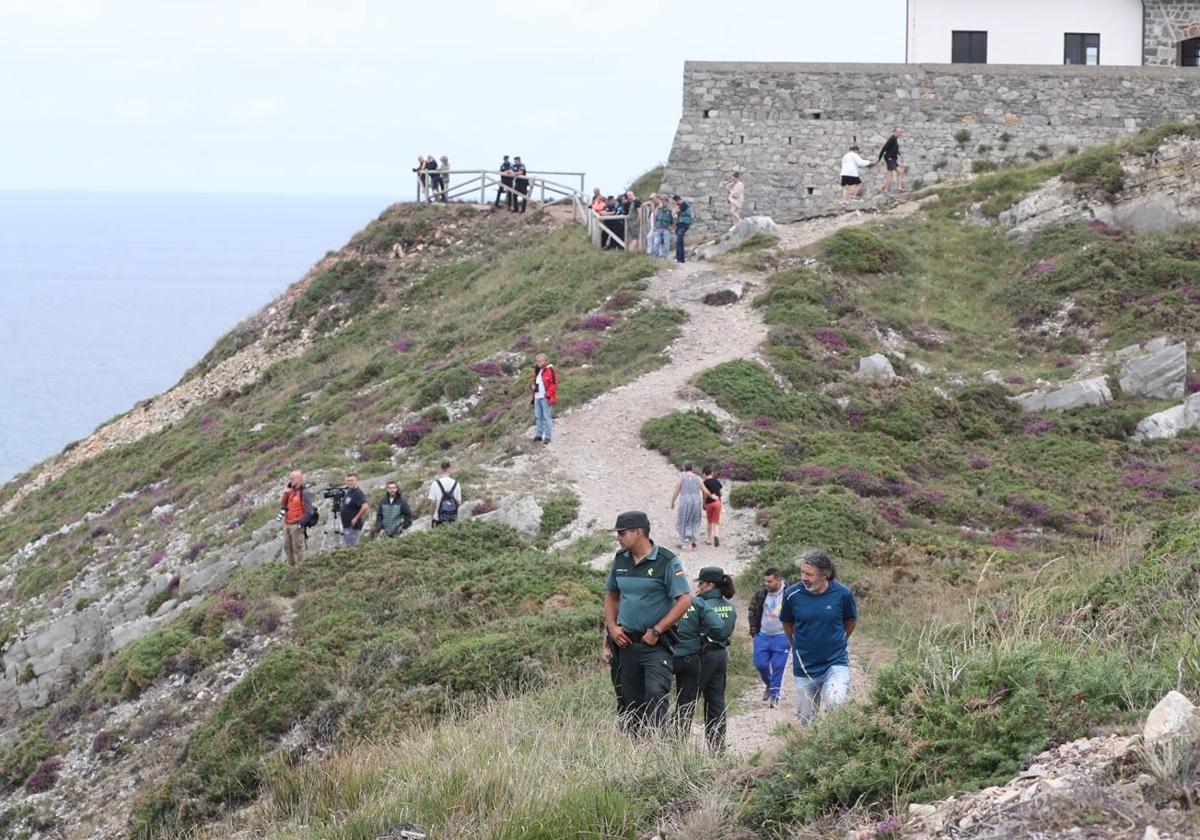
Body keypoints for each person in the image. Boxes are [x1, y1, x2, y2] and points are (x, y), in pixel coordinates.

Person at [604, 511, 692, 735]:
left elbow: (684, 600)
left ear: (639, 532)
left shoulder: (666, 561)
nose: (619, 537)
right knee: (630, 703)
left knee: (655, 695)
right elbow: (611, 596)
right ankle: (637, 754)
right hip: (626, 644)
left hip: (655, 645)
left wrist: (658, 629)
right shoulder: (620, 560)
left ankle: (661, 749)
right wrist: (612, 629)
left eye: (622, 533)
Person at [780, 550, 858, 724]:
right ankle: (812, 747)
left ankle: (834, 744)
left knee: (836, 703)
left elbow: (851, 621)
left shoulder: (843, 594)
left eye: (809, 574)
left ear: (825, 575)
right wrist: (796, 643)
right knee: (806, 720)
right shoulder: (792, 595)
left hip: (835, 661)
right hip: (805, 665)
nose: (804, 577)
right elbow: (787, 623)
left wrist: (839, 641)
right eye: (802, 572)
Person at [671, 578, 724, 739]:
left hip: (664, 657)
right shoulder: (697, 603)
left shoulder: (660, 602)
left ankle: (657, 741)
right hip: (690, 657)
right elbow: (718, 626)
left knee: (656, 698)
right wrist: (703, 635)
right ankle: (679, 744)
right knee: (686, 702)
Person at [693, 567, 737, 751]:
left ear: (710, 585)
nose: (698, 586)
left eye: (700, 583)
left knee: (689, 698)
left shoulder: (701, 605)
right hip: (721, 655)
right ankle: (717, 748)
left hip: (703, 654)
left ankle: (675, 745)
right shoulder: (729, 606)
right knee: (716, 702)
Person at [749, 568, 790, 707]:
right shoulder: (762, 593)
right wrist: (754, 632)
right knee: (760, 663)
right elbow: (753, 610)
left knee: (778, 666)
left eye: (770, 581)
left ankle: (775, 696)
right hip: (763, 634)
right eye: (765, 581)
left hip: (782, 635)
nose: (767, 584)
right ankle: (769, 684)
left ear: (778, 580)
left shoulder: (789, 593)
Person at [278, 470, 314, 566]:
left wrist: (300, 524)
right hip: (288, 523)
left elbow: (309, 511)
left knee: (298, 548)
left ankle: (301, 569)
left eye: (292, 478)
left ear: (298, 479)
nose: (290, 480)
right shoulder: (291, 491)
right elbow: (283, 504)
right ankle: (292, 568)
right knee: (287, 548)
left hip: (297, 524)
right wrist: (286, 492)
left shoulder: (305, 492)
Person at [670, 461, 703, 551]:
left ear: (684, 468)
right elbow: (704, 490)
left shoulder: (682, 478)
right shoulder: (698, 478)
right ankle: (691, 540)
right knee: (694, 520)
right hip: (696, 501)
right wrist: (710, 498)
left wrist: (672, 502)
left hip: (685, 501)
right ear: (692, 468)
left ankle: (686, 541)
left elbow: (676, 491)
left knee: (684, 519)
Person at [531, 353, 558, 444]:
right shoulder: (538, 370)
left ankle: (548, 436)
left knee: (547, 417)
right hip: (537, 396)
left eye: (539, 361)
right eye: (537, 361)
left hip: (545, 397)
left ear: (545, 361)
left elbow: (554, 384)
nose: (538, 363)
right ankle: (539, 435)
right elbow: (536, 381)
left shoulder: (550, 370)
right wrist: (533, 387)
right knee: (538, 417)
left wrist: (547, 394)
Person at [339, 473, 370, 546]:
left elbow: (365, 507)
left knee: (353, 546)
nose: (350, 482)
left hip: (353, 527)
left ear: (356, 481)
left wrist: (356, 518)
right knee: (348, 545)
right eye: (348, 481)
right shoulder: (349, 492)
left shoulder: (357, 493)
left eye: (352, 480)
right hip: (346, 525)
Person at [428, 460, 461, 526]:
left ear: (441, 469)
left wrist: (432, 516)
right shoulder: (456, 483)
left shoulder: (435, 483)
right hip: (452, 518)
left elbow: (433, 503)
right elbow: (459, 503)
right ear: (449, 469)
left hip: (438, 518)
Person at [878, 128, 905, 194]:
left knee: (890, 175)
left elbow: (893, 148)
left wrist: (899, 154)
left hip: (892, 159)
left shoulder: (895, 139)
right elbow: (884, 148)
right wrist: (879, 158)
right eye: (899, 132)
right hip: (890, 159)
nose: (900, 134)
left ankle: (886, 189)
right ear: (895, 132)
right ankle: (900, 188)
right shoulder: (892, 138)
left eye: (901, 132)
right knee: (900, 172)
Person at [701, 465, 722, 547]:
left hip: (710, 503)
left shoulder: (705, 483)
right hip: (718, 503)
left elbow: (705, 494)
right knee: (716, 522)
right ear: (711, 473)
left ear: (704, 474)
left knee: (709, 522)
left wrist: (704, 504)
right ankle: (716, 536)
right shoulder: (717, 481)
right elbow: (721, 493)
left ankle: (709, 539)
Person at [651, 195, 674, 259]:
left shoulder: (670, 211)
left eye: (664, 201)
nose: (663, 203)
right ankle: (654, 258)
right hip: (658, 228)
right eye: (662, 201)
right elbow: (654, 218)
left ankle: (665, 258)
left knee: (666, 244)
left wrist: (672, 227)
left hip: (666, 229)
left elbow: (673, 220)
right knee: (656, 243)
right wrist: (654, 226)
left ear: (667, 202)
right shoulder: (658, 210)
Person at [673, 195, 692, 263]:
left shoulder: (683, 204)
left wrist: (675, 206)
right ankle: (678, 258)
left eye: (675, 202)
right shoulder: (681, 205)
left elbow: (676, 211)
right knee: (678, 241)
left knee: (679, 241)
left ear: (677, 200)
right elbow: (677, 216)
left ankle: (681, 258)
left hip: (684, 224)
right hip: (680, 225)